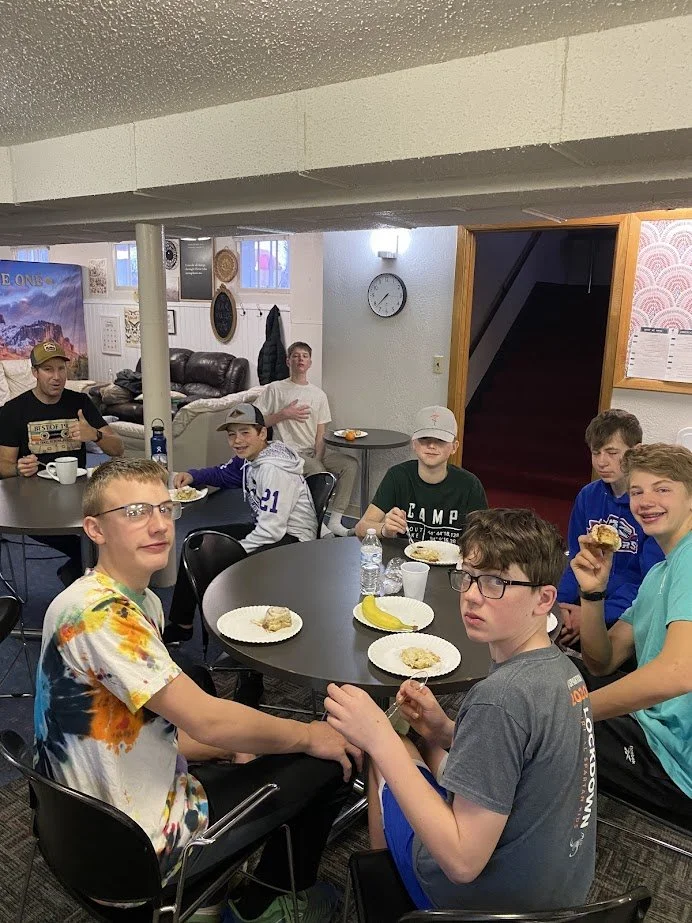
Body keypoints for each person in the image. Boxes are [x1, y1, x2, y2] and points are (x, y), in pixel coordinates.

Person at [34, 457, 360, 923]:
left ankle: (227, 887)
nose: (158, 525)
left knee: (256, 743)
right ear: (95, 529)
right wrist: (309, 735)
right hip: (134, 852)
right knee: (324, 761)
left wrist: (224, 749)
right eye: (134, 512)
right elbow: (205, 717)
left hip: (84, 826)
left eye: (165, 509)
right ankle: (263, 906)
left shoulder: (120, 599)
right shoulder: (103, 615)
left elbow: (132, 727)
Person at [325, 508, 596, 911]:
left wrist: (377, 739)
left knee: (390, 751)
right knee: (421, 740)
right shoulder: (563, 671)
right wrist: (445, 730)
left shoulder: (500, 698)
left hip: (483, 904)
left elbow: (463, 863)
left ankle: (394, 894)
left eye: (496, 582)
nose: (470, 594)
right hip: (561, 892)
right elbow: (521, 758)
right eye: (468, 576)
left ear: (544, 600)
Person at [569, 442, 692, 821]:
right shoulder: (660, 572)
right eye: (637, 491)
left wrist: (574, 713)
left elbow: (678, 672)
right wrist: (593, 592)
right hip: (650, 723)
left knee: (541, 732)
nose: (646, 500)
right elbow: (602, 662)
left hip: (674, 759)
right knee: (547, 669)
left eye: (663, 488)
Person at [164, 404, 317, 705]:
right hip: (267, 528)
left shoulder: (273, 469)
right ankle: (181, 624)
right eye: (232, 435)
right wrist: (192, 475)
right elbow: (224, 474)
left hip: (294, 542)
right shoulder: (251, 459)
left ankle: (241, 654)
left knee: (223, 563)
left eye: (245, 432)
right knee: (197, 542)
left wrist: (232, 552)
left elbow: (272, 532)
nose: (237, 440)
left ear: (263, 433)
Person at [0, 340, 124, 585]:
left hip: (79, 499)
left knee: (116, 535)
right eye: (48, 370)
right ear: (35, 372)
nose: (56, 377)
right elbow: (3, 465)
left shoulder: (80, 403)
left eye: (61, 369)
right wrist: (17, 468)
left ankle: (81, 577)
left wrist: (95, 435)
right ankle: (82, 581)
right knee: (94, 543)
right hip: (33, 506)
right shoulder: (13, 411)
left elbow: (118, 448)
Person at [557, 409, 664, 646]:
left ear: (634, 451)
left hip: (626, 614)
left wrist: (593, 616)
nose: (602, 462)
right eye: (596, 453)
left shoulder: (650, 506)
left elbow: (649, 582)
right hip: (585, 599)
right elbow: (575, 557)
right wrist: (561, 607)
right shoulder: (588, 496)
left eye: (612, 452)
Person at [254, 341, 357, 536]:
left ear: (310, 363)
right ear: (288, 361)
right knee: (317, 471)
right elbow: (257, 422)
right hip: (286, 452)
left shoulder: (318, 395)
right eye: (295, 355)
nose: (300, 359)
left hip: (312, 450)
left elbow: (321, 432)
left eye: (305, 356)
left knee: (349, 465)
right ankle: (317, 522)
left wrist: (319, 456)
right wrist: (284, 414)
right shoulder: (275, 389)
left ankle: (335, 521)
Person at [355, 406, 486, 541]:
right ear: (413, 444)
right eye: (424, 438)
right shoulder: (398, 476)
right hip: (404, 559)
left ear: (454, 447)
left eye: (440, 440)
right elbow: (361, 527)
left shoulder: (470, 485)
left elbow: (483, 538)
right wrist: (385, 529)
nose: (431, 445)